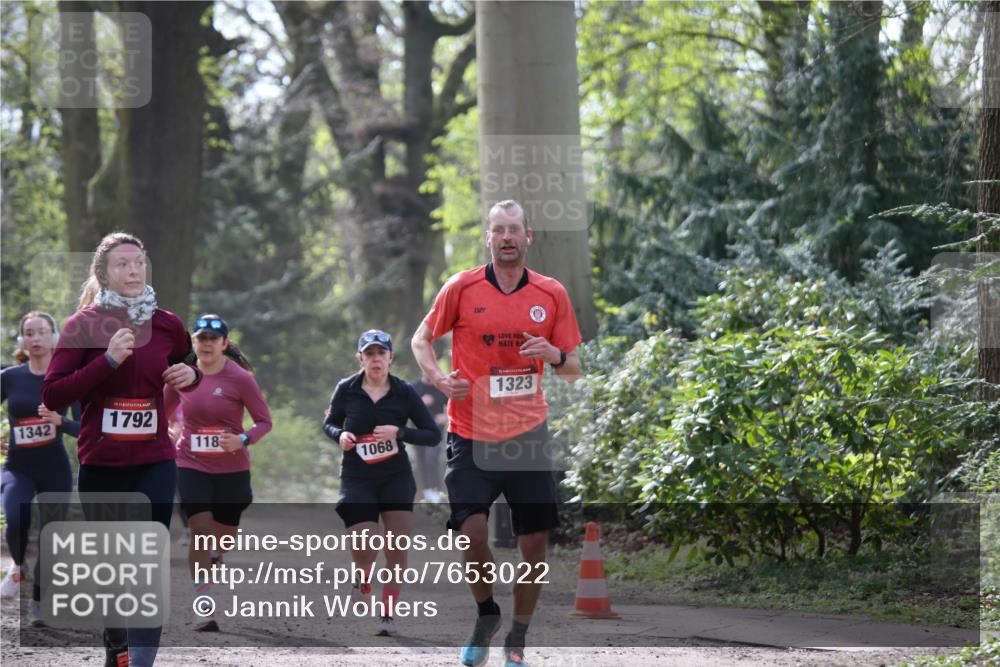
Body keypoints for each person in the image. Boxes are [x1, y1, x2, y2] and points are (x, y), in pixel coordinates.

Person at [411, 200, 582, 667]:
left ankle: (517, 639)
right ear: (488, 237)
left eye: (515, 230)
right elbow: (421, 338)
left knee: (533, 544)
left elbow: (574, 369)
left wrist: (553, 354)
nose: (507, 237)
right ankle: (486, 613)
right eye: (498, 229)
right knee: (470, 534)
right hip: (470, 433)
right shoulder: (461, 287)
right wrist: (437, 378)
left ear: (529, 236)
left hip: (527, 434)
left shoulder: (551, 294)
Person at [42, 232, 202, 667]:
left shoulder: (168, 323)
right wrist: (107, 360)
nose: (133, 271)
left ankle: (143, 661)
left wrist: (192, 376)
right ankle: (118, 647)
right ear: (102, 273)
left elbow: (189, 364)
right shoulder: (82, 326)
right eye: (123, 264)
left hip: (155, 460)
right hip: (103, 463)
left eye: (139, 263)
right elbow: (53, 394)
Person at [322, 329, 440, 637]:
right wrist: (340, 435)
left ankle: (387, 613)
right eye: (370, 354)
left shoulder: (404, 392)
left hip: (396, 476)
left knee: (396, 547)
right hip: (357, 475)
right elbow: (330, 422)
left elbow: (432, 434)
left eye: (381, 354)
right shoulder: (346, 389)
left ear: (390, 358)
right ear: (360, 358)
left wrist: (399, 433)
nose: (376, 359)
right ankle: (362, 575)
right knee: (365, 541)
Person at [165, 314, 272, 632]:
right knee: (199, 529)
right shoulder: (182, 376)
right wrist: (167, 432)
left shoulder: (240, 379)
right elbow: (161, 411)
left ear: (224, 344)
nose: (207, 344)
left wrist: (241, 439)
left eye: (213, 339)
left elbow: (264, 422)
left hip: (232, 469)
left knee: (221, 539)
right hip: (190, 462)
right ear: (194, 343)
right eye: (201, 338)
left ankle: (215, 553)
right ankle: (204, 605)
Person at [0, 311, 79, 627]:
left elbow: (84, 426)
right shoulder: (10, 376)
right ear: (22, 340)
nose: (35, 338)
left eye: (41, 332)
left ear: (54, 337)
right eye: (29, 333)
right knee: (16, 515)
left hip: (54, 467)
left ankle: (39, 602)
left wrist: (61, 421)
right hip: (18, 465)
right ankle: (18, 567)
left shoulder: (66, 378)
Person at [409, 372, 448, 502]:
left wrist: (446, 417)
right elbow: (406, 408)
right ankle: (427, 493)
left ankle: (437, 492)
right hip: (418, 432)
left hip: (435, 432)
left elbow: (453, 405)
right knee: (421, 461)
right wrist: (421, 402)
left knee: (431, 458)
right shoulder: (414, 387)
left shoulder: (440, 387)